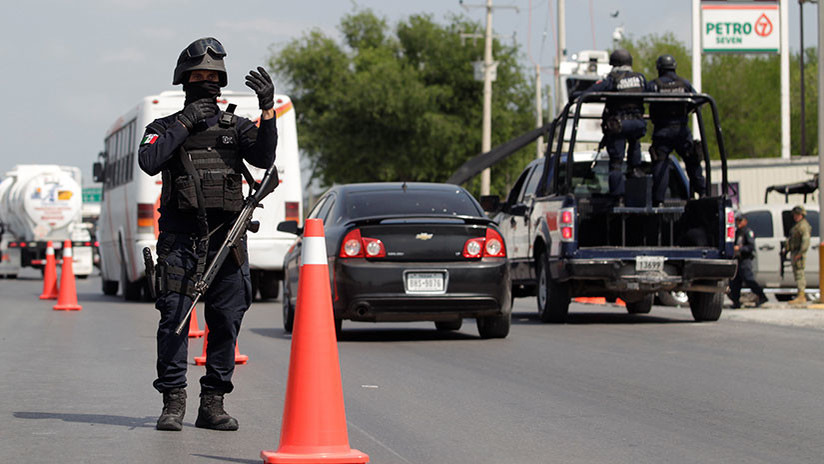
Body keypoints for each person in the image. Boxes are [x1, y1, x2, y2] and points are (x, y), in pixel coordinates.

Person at [138, 37, 277, 431]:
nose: (207, 82)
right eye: (199, 76)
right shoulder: (164, 127)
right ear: (185, 80)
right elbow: (149, 160)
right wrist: (184, 123)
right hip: (181, 243)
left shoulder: (237, 128)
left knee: (227, 320)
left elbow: (264, 157)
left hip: (227, 243)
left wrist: (268, 110)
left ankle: (212, 402)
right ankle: (173, 402)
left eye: (213, 76)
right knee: (175, 321)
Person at [575, 49, 647, 201]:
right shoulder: (640, 78)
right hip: (637, 124)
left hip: (619, 125)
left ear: (615, 64)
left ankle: (618, 198)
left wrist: (575, 96)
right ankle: (637, 191)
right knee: (635, 155)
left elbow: (591, 93)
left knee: (616, 164)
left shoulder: (613, 79)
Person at [647, 54, 706, 205]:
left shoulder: (654, 85)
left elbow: (641, 98)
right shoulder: (684, 84)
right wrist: (687, 109)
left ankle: (658, 201)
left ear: (659, 68)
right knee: (692, 161)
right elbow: (699, 100)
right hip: (681, 131)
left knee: (660, 164)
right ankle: (703, 192)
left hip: (662, 132)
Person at [728, 213, 768, 309]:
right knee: (735, 282)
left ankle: (762, 296)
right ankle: (736, 301)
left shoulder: (747, 232)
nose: (738, 223)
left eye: (740, 221)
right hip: (737, 260)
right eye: (737, 221)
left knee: (748, 279)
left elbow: (750, 247)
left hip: (745, 259)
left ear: (745, 221)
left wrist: (740, 248)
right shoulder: (737, 232)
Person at [787, 205, 812, 305]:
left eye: (797, 215)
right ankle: (800, 294)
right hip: (795, 251)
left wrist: (800, 253)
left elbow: (806, 241)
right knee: (797, 273)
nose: (795, 217)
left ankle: (801, 296)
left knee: (799, 274)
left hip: (799, 252)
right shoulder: (797, 225)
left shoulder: (803, 226)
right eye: (794, 215)